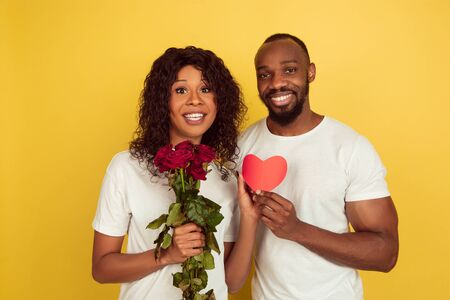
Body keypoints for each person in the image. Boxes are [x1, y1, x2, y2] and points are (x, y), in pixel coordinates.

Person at [238, 33, 399, 299]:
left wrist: (297, 229)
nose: (277, 83)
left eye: (289, 70)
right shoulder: (244, 144)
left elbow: (386, 253)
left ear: (310, 72)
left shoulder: (350, 148)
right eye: (265, 74)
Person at [91, 46, 258, 299]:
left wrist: (249, 217)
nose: (195, 100)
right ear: (163, 101)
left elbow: (231, 282)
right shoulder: (126, 168)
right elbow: (102, 269)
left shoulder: (226, 177)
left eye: (205, 89)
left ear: (219, 101)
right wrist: (167, 255)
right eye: (181, 90)